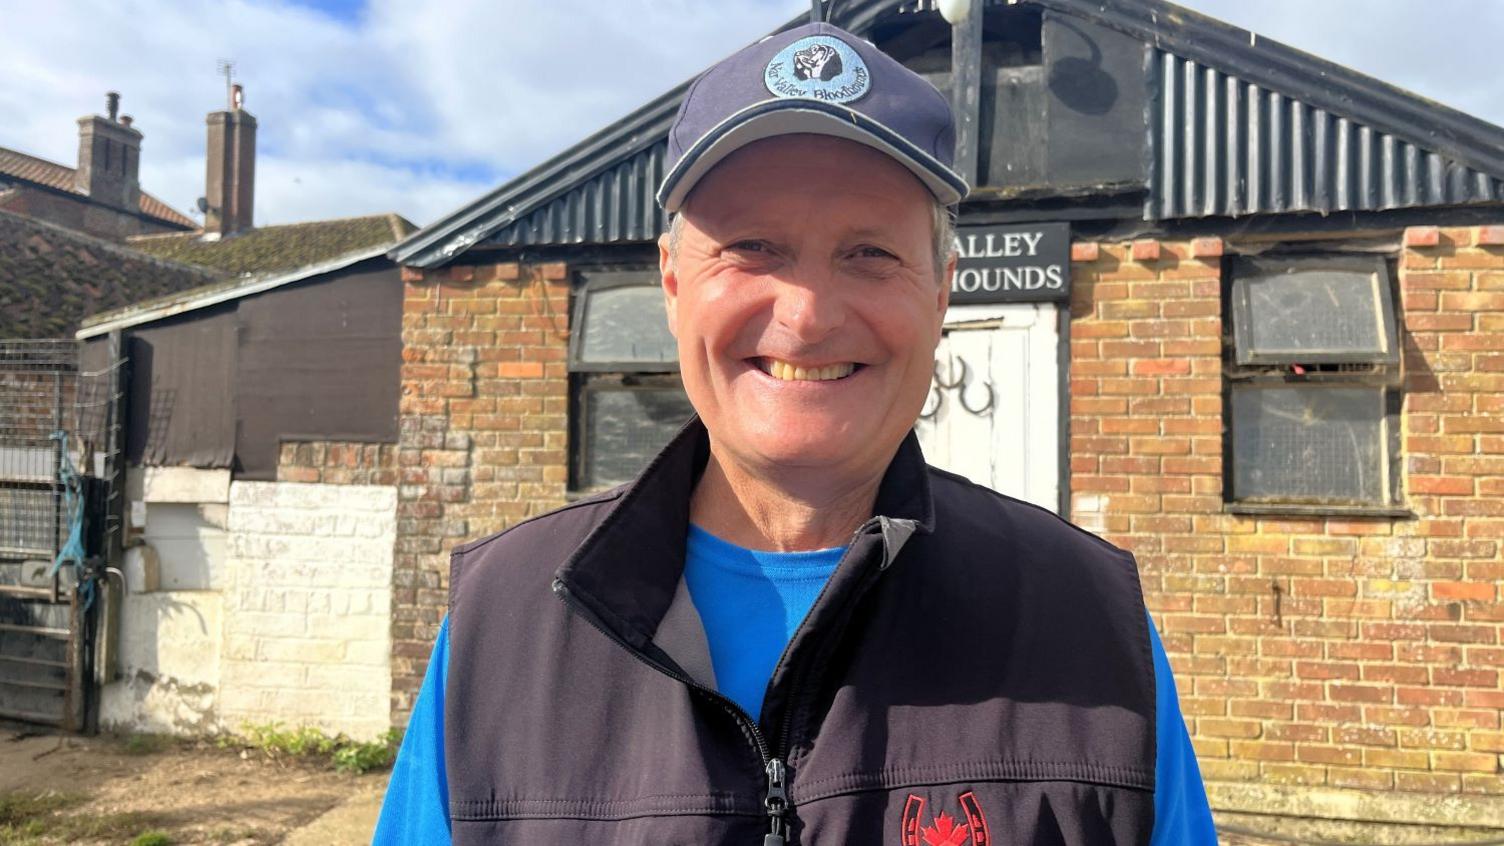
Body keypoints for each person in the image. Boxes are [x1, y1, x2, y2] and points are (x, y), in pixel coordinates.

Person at [376, 20, 1217, 846]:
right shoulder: (501, 625)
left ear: (939, 293)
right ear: (672, 285)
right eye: (751, 247)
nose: (807, 316)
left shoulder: (1089, 624)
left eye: (870, 254)